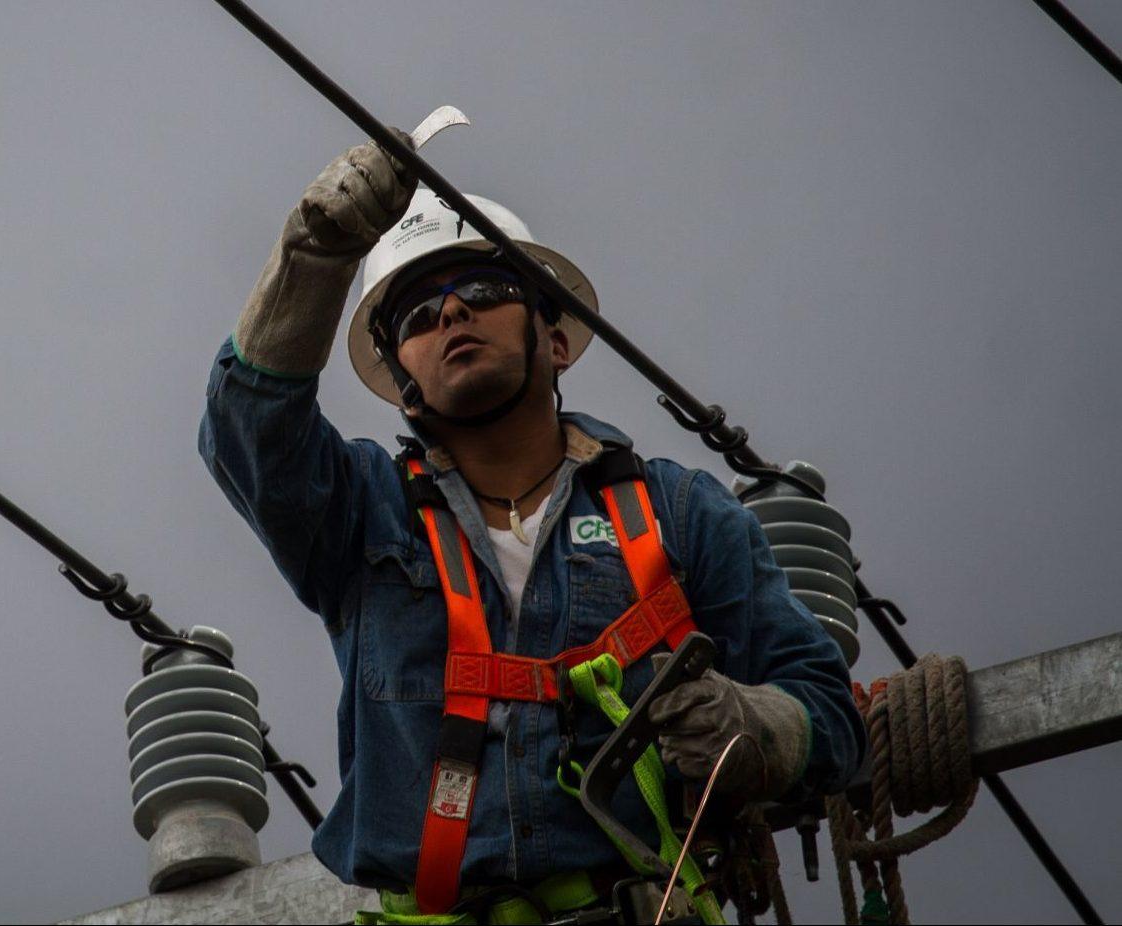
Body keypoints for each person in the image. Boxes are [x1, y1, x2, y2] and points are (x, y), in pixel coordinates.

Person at [197, 134, 863, 924]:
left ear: (555, 338)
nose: (452, 311)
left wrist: (759, 728)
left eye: (483, 287)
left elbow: (831, 716)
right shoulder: (364, 512)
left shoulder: (679, 516)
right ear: (405, 385)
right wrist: (315, 256)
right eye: (418, 313)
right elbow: (250, 432)